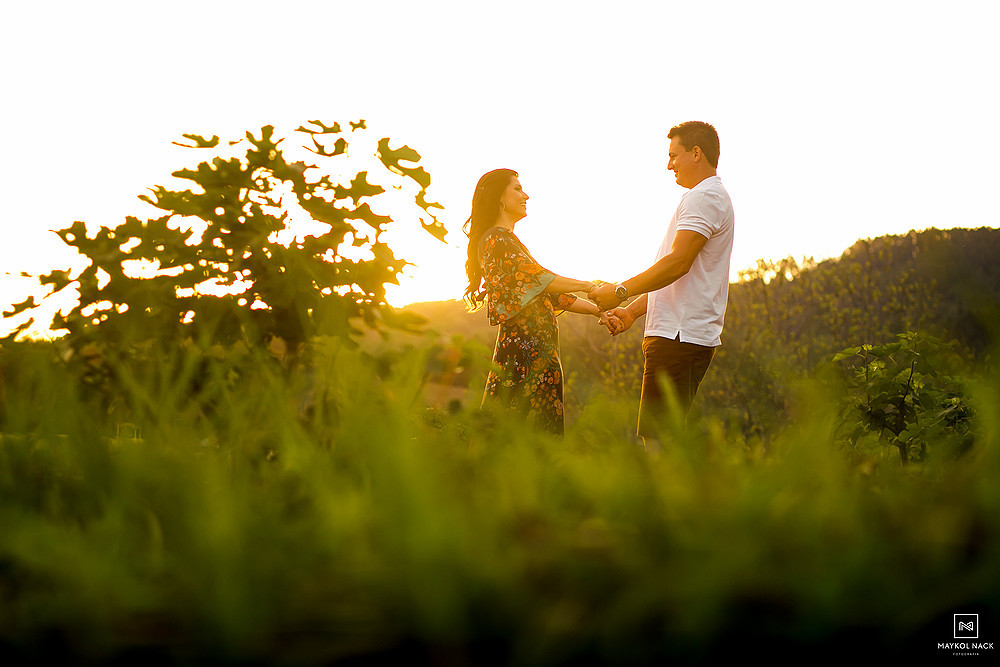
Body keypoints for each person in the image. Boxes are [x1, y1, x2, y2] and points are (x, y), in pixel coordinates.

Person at [590, 121, 735, 450]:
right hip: (677, 335)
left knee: (658, 444)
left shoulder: (704, 197)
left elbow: (677, 263)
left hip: (678, 338)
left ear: (696, 153)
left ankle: (670, 502)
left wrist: (620, 289)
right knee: (659, 439)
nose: (669, 164)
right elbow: (681, 273)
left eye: (674, 155)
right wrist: (632, 312)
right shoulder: (706, 197)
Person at [464, 168, 619, 436]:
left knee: (535, 433)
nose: (525, 195)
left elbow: (550, 293)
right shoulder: (495, 240)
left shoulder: (509, 241)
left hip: (538, 353)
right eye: (517, 188)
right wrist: (589, 286)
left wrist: (599, 312)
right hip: (523, 355)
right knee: (520, 434)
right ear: (499, 198)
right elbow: (542, 280)